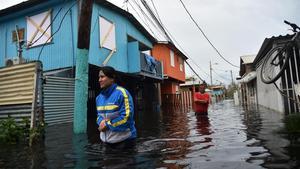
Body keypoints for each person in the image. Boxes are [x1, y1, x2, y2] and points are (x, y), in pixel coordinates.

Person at [96, 66, 136, 147]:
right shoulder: (99, 98)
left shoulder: (122, 93)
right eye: (99, 77)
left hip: (124, 142)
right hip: (105, 142)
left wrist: (107, 125)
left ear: (112, 78)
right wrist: (100, 122)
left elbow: (126, 118)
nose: (99, 80)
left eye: (102, 77)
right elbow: (98, 116)